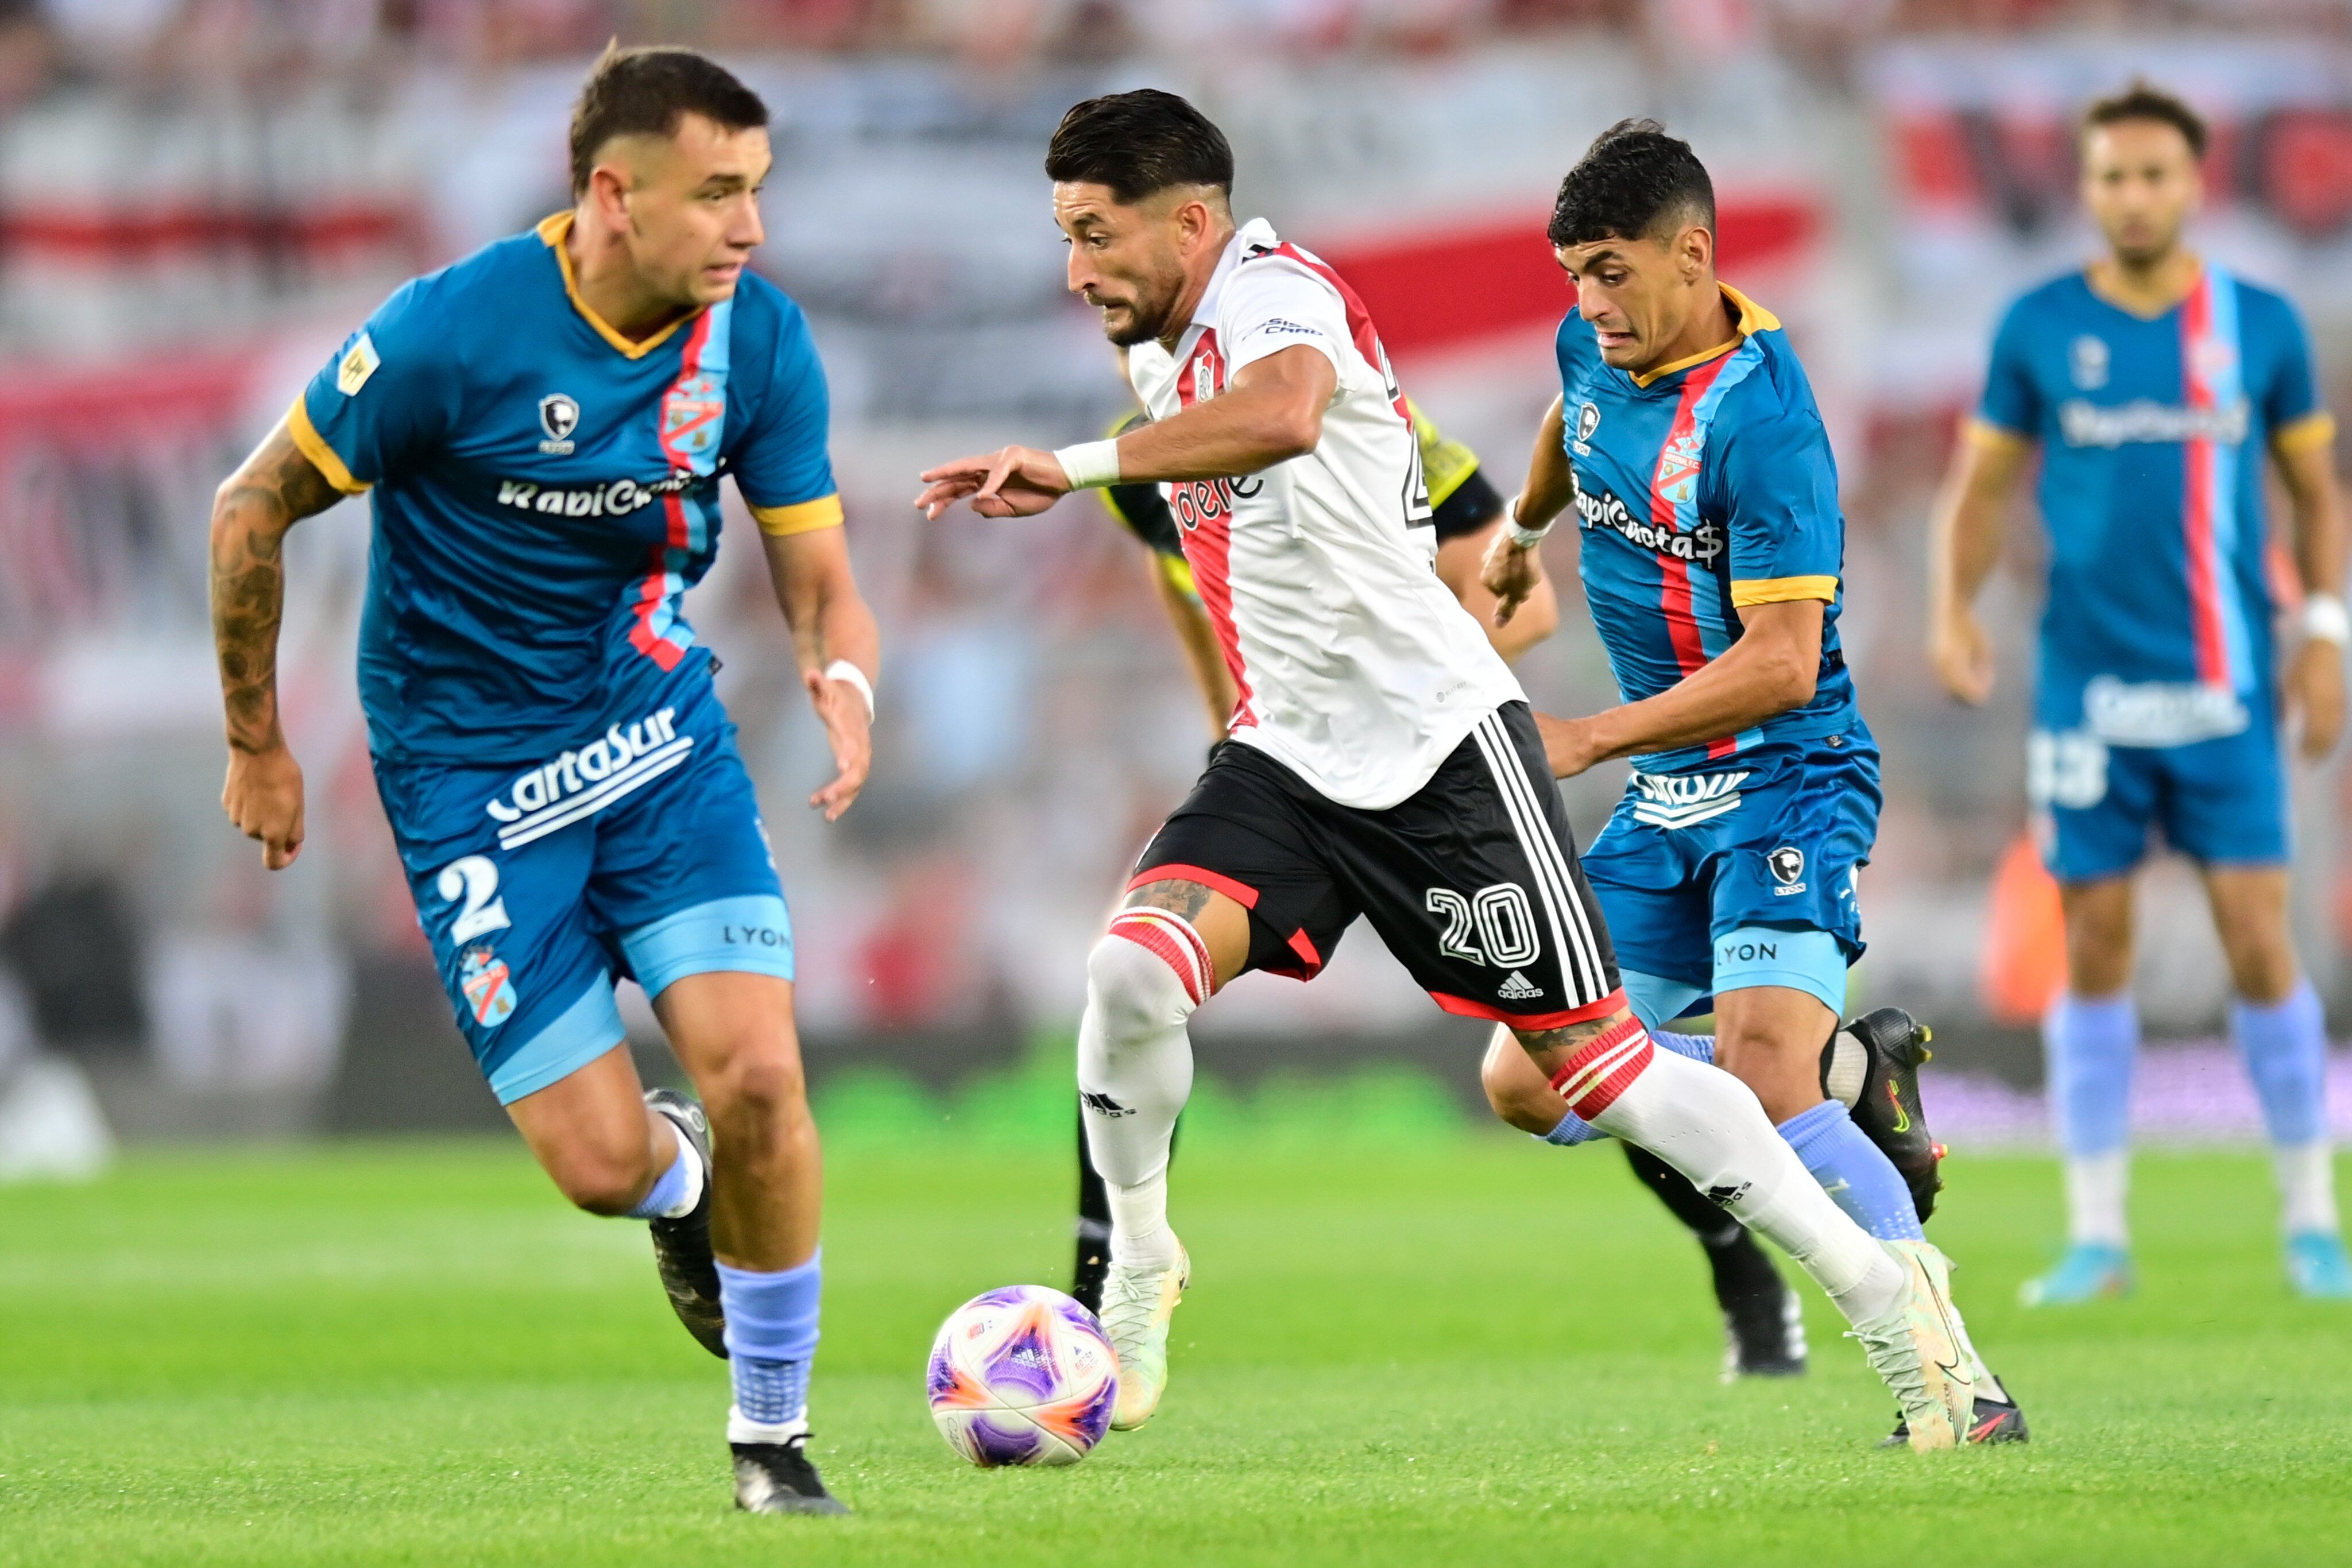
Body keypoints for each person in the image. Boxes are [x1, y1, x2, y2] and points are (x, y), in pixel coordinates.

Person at [916, 87, 1976, 1451]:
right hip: (1288, 750)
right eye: (1064, 238)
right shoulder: (1158, 350)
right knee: (1126, 970)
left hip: (1439, 750)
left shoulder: (1275, 297)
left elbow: (1291, 412)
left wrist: (1067, 470)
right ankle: (1137, 1267)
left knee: (1596, 1077)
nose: (1075, 269)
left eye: (1094, 233)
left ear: (1191, 221)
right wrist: (1520, 525)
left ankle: (1894, 1317)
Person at [208, 47, 877, 1513]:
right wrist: (257, 740)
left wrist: (842, 673)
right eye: (716, 196)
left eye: (757, 192)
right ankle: (676, 1191)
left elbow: (817, 572)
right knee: (593, 1163)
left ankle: (772, 1437)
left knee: (761, 1072)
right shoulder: (453, 333)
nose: (750, 229)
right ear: (610, 196)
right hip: (468, 781)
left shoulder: (755, 343)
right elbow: (252, 503)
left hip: (656, 747)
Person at [1080, 401, 1860, 1383]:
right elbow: (1198, 597)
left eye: (1106, 240)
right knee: (1134, 975)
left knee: (1576, 1051)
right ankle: (1104, 1290)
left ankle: (1746, 1264)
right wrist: (1236, 750)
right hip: (1290, 774)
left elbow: (1525, 606)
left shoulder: (1348, 410)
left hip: (1436, 774)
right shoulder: (1136, 459)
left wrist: (1407, 705)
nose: (1099, 291)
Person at [1479, 119, 2024, 1444]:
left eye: (1610, 272)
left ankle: (1955, 1380)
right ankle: (1853, 1078)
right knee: (1520, 1079)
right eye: (1572, 275)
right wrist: (1516, 531)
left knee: (1757, 1077)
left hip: (1784, 775)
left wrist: (1593, 736)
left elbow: (1782, 664)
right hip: (1662, 794)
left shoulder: (1768, 428)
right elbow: (1571, 414)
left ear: (1693, 256)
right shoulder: (1592, 342)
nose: (1588, 304)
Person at [1927, 81, 2352, 1303]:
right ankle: (2097, 1233)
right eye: (2109, 175)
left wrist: (2323, 632)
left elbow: (2314, 494)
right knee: (2093, 944)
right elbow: (1980, 482)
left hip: (2224, 686)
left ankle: (2308, 1219)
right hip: (2085, 692)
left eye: (2152, 175)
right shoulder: (2037, 327)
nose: (2130, 196)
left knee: (2257, 941)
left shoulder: (2256, 326)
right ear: (2084, 184)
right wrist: (1951, 609)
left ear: (2192, 182)